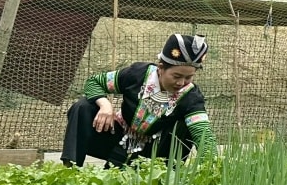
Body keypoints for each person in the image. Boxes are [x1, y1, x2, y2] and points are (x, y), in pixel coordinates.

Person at [61, 33, 218, 167]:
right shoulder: (137, 74)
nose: (181, 83)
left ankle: (166, 175)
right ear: (161, 68)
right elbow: (94, 82)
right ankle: (70, 167)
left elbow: (203, 134)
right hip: (120, 139)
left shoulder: (191, 96)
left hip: (155, 154)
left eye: (188, 77)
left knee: (185, 125)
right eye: (176, 76)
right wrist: (105, 105)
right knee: (83, 107)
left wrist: (210, 171)